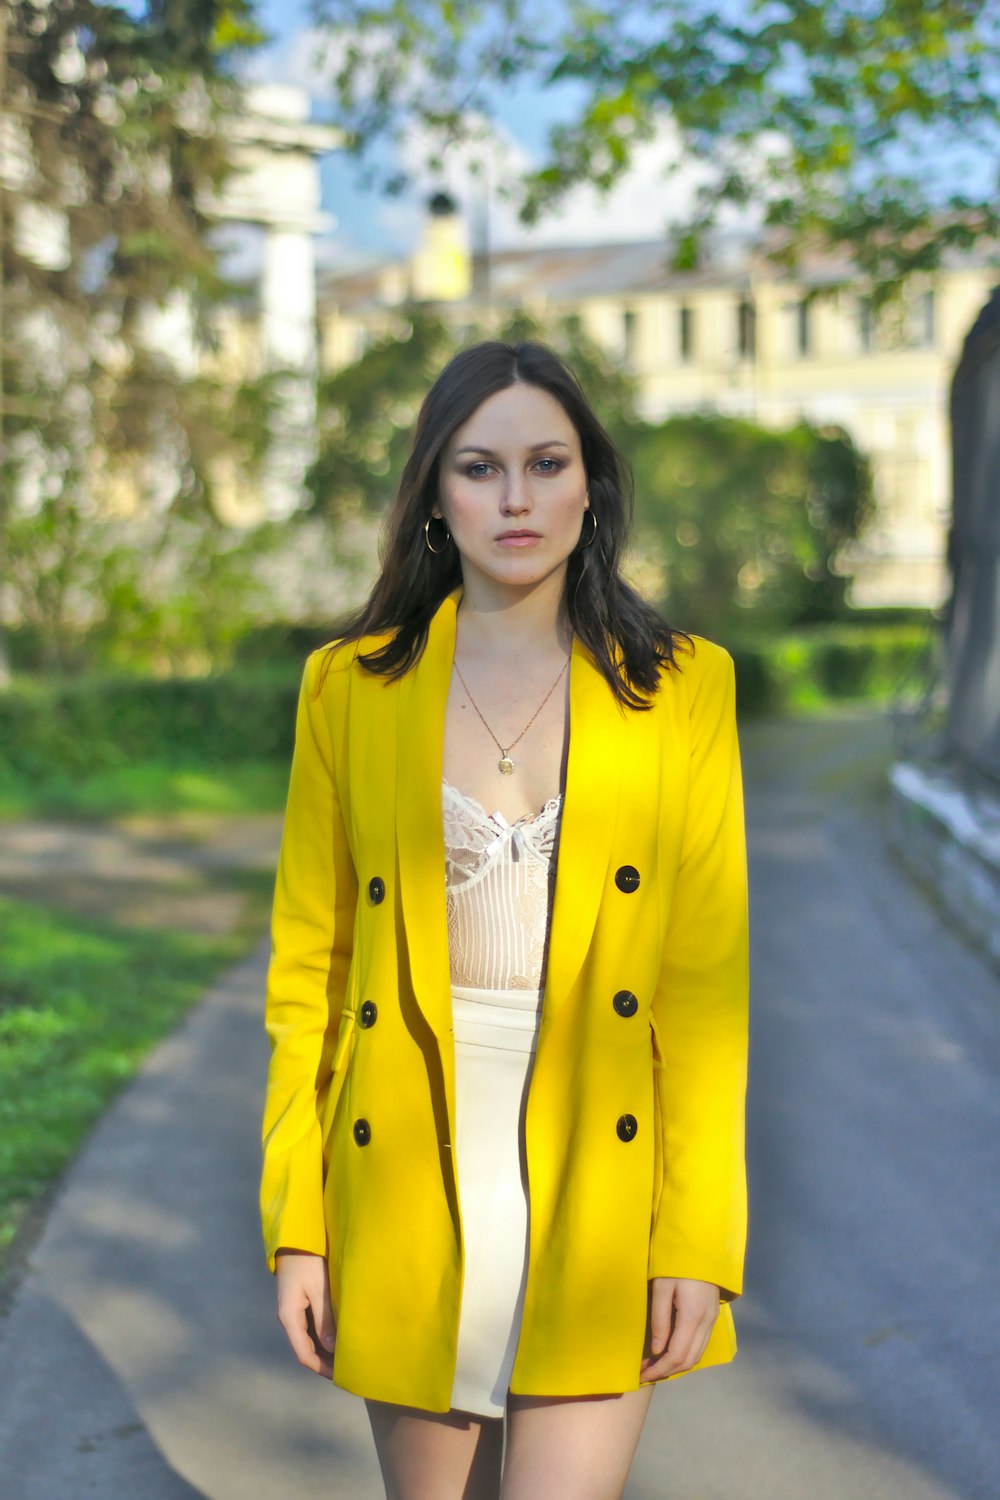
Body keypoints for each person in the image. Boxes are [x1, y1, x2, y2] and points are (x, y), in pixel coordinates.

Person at [260, 339, 750, 1500]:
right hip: (405, 1167)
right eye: (480, 468)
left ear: (592, 485)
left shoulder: (684, 686)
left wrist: (696, 1237)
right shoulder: (349, 688)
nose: (516, 498)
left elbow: (705, 993)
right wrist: (299, 1222)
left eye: (546, 462)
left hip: (601, 1165)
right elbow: (306, 976)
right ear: (435, 492)